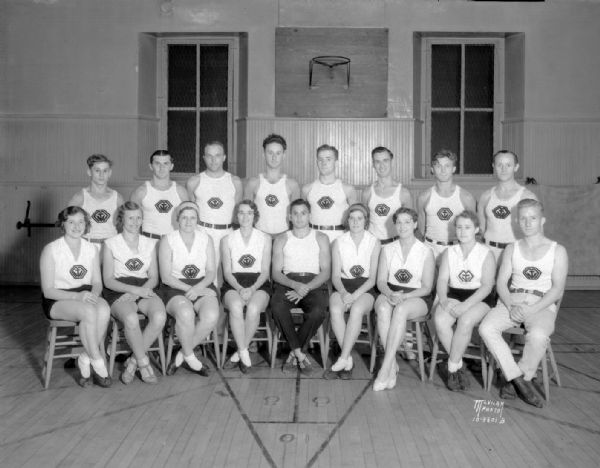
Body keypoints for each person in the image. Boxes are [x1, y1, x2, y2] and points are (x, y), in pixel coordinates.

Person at [479, 199, 568, 408]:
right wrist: (511, 306)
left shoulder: (558, 250)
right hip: (513, 300)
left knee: (538, 336)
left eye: (533, 218)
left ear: (542, 220)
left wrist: (532, 309)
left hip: (542, 303)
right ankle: (517, 379)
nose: (528, 223)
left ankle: (524, 376)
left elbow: (557, 290)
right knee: (486, 328)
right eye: (524, 218)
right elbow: (501, 283)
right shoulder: (512, 248)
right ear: (518, 221)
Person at [40, 206, 111, 387]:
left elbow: (97, 283)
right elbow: (48, 290)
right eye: (71, 222)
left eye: (81, 221)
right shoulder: (51, 250)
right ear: (62, 224)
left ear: (86, 224)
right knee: (88, 312)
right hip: (58, 299)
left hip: (85, 294)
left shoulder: (92, 248)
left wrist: (94, 296)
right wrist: (78, 297)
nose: (76, 226)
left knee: (103, 309)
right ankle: (98, 362)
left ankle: (84, 358)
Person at [102, 202, 167, 384]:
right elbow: (108, 280)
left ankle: (132, 362)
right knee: (130, 319)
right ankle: (143, 363)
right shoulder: (110, 244)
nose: (135, 221)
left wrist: (139, 292)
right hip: (119, 289)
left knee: (160, 316)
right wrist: (132, 290)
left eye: (139, 217)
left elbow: (154, 277)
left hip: (145, 287)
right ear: (121, 219)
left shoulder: (150, 243)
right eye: (131, 217)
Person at [373, 207, 435, 391]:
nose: (402, 226)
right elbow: (381, 281)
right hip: (390, 292)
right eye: (399, 222)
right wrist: (390, 294)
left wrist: (405, 296)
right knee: (383, 309)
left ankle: (386, 367)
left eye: (407, 222)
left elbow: (426, 287)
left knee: (400, 310)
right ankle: (392, 366)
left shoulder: (426, 251)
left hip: (416, 296)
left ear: (415, 224)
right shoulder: (387, 249)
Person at [433, 210, 496, 391]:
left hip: (479, 297)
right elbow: (443, 280)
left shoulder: (486, 253)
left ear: (476, 229)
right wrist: (444, 300)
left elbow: (486, 286)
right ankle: (459, 364)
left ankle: (452, 367)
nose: (462, 231)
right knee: (440, 321)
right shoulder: (449, 252)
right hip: (454, 294)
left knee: (465, 320)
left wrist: (465, 306)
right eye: (459, 227)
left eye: (467, 227)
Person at [270, 199, 331, 375]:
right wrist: (295, 285)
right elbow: (275, 272)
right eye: (295, 213)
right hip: (288, 281)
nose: (299, 217)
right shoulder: (282, 239)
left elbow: (326, 272)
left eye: (303, 213)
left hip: (314, 282)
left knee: (319, 311)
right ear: (290, 216)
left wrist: (307, 288)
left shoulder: (321, 237)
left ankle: (293, 352)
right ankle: (299, 353)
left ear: (309, 215)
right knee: (277, 306)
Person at [158, 201, 220, 376]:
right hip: (174, 286)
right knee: (186, 313)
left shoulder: (206, 239)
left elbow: (210, 271)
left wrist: (199, 288)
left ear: (197, 220)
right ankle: (192, 359)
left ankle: (182, 355)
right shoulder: (167, 240)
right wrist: (190, 289)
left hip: (202, 284)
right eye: (184, 217)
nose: (188, 221)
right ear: (177, 219)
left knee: (211, 315)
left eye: (192, 218)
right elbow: (166, 276)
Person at [325, 203, 381, 380]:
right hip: (343, 287)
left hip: (365, 289)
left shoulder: (374, 242)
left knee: (356, 309)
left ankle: (342, 358)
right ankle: (347, 359)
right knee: (335, 309)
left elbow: (372, 278)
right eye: (352, 218)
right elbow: (335, 276)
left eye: (360, 218)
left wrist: (354, 296)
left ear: (366, 221)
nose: (355, 222)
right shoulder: (339, 242)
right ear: (347, 220)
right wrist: (343, 293)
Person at [220, 200, 272, 373]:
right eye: (241, 212)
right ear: (236, 216)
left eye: (249, 212)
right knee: (235, 306)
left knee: (253, 308)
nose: (245, 216)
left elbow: (265, 271)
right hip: (233, 283)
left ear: (255, 216)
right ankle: (244, 352)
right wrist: (240, 288)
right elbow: (227, 272)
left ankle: (237, 353)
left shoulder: (265, 238)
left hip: (259, 283)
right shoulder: (227, 239)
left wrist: (252, 288)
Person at [187, 141, 243, 283]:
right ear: (204, 158)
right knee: (203, 275)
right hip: (203, 231)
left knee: (229, 276)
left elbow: (239, 214)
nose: (213, 160)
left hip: (227, 232)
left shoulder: (235, 181)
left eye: (217, 155)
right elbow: (190, 213)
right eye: (209, 156)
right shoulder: (194, 181)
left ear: (224, 157)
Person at [478, 150, 538, 261]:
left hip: (516, 254)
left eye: (508, 165)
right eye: (499, 165)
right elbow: (481, 230)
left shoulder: (527, 197)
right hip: (489, 253)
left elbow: (536, 233)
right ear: (493, 166)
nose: (503, 169)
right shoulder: (485, 197)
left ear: (516, 167)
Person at [417, 149, 476, 260]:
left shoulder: (466, 197)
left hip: (457, 249)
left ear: (454, 169)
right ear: (432, 169)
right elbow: (421, 229)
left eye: (447, 166)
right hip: (430, 249)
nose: (443, 170)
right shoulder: (424, 197)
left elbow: (472, 229)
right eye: (438, 166)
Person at [244, 134, 301, 236]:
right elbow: (245, 214)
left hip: (284, 237)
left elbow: (297, 216)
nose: (274, 157)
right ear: (264, 154)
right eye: (270, 153)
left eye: (278, 153)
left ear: (284, 155)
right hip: (259, 237)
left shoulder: (292, 185)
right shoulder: (253, 183)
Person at [302, 144, 358, 243]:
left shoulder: (347, 189)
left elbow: (356, 218)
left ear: (336, 162)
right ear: (317, 162)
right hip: (314, 238)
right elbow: (301, 217)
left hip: (339, 238)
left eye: (328, 159)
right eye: (320, 159)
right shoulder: (307, 189)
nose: (324, 163)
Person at [67, 154, 124, 247]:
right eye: (97, 170)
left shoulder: (118, 198)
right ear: (89, 172)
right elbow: (68, 225)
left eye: (105, 171)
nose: (101, 175)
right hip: (87, 246)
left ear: (110, 173)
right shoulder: (79, 197)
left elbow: (124, 226)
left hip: (111, 246)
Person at [130, 150, 188, 239]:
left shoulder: (181, 191)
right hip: (149, 241)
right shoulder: (140, 192)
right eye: (157, 164)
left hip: (173, 241)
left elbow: (188, 220)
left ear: (171, 166)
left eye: (165, 163)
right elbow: (132, 223)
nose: (162, 168)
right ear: (151, 166)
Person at [363, 147, 413, 245]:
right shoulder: (367, 192)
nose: (381, 165)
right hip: (372, 245)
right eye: (377, 162)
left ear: (392, 162)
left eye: (385, 161)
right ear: (373, 165)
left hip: (395, 244)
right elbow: (364, 222)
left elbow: (410, 225)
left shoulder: (403, 193)